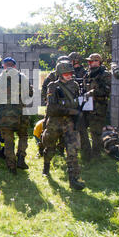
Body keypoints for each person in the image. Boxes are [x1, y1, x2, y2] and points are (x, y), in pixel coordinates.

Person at [41, 61, 85, 190]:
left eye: (71, 73)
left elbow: (77, 101)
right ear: (60, 74)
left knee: (72, 150)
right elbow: (51, 109)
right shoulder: (53, 86)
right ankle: (46, 167)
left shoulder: (75, 85)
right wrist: (70, 110)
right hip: (55, 123)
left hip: (70, 123)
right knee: (50, 148)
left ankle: (74, 179)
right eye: (66, 73)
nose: (69, 75)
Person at [0, 57, 34, 174]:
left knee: (8, 140)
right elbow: (30, 94)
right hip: (21, 114)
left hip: (5, 115)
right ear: (15, 66)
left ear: (4, 66)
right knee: (23, 136)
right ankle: (21, 159)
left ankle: (11, 166)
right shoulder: (23, 78)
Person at [81, 53, 111, 161]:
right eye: (88, 61)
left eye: (91, 61)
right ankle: (86, 153)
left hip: (98, 107)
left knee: (96, 133)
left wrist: (92, 92)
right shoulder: (88, 74)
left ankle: (96, 156)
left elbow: (106, 90)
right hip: (86, 106)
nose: (89, 63)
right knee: (82, 129)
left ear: (98, 62)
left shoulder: (105, 74)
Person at [40, 55, 70, 157]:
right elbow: (44, 88)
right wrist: (48, 100)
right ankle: (42, 148)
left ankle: (61, 150)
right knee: (46, 129)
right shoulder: (52, 76)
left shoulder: (70, 76)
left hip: (65, 109)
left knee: (64, 130)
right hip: (52, 109)